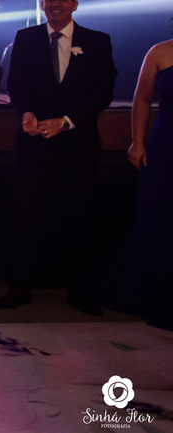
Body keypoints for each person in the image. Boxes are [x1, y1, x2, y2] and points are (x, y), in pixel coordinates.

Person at [0, 0, 117, 315]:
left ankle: (79, 290)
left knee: (80, 215)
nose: (56, 4)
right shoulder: (26, 38)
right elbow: (16, 84)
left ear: (75, 5)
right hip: (33, 143)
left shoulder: (97, 41)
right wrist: (26, 112)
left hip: (78, 144)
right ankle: (20, 287)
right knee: (25, 214)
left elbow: (103, 93)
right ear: (43, 4)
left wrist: (65, 122)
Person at [110, 32, 173, 329]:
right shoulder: (159, 52)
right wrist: (137, 142)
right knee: (161, 217)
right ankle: (158, 294)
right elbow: (142, 98)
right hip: (167, 144)